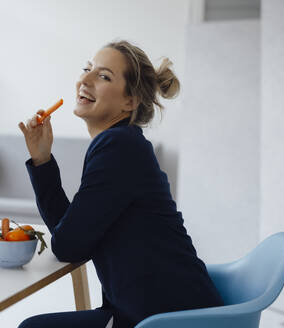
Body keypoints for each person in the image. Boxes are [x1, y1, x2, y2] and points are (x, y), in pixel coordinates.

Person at [17, 40, 223, 328]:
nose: (84, 80)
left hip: (169, 320)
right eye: (87, 68)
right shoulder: (122, 143)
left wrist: (44, 168)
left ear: (130, 102)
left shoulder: (118, 147)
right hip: (149, 313)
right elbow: (71, 235)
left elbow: (67, 245)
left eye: (103, 76)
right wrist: (42, 160)